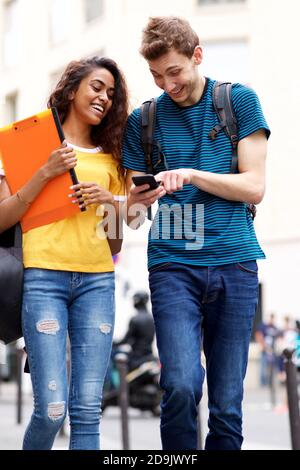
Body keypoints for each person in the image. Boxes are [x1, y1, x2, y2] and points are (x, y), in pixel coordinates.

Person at [122, 16, 270, 450]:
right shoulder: (142, 121)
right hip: (172, 264)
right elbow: (131, 218)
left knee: (227, 405)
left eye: (175, 71)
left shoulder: (238, 102)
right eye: (156, 76)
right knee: (181, 386)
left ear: (197, 56)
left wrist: (191, 174)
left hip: (234, 261)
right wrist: (136, 201)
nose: (168, 84)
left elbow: (254, 186)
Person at [0, 56, 128, 449]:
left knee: (88, 410)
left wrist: (111, 203)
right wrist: (45, 171)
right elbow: (3, 218)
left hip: (97, 282)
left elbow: (115, 243)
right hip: (43, 281)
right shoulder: (28, 142)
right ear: (72, 89)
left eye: (111, 93)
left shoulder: (112, 156)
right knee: (52, 409)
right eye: (96, 87)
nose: (104, 97)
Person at [116, 291, 155, 370]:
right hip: (149, 355)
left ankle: (111, 382)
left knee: (115, 356)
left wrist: (113, 344)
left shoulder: (135, 319)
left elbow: (126, 340)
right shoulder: (152, 318)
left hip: (136, 357)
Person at [255, 313, 282, 387]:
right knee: (263, 367)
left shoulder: (275, 328)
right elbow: (258, 335)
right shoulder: (263, 326)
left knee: (272, 367)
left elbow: (279, 337)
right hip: (264, 349)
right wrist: (264, 346)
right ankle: (263, 383)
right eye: (271, 318)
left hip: (272, 350)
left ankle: (270, 383)